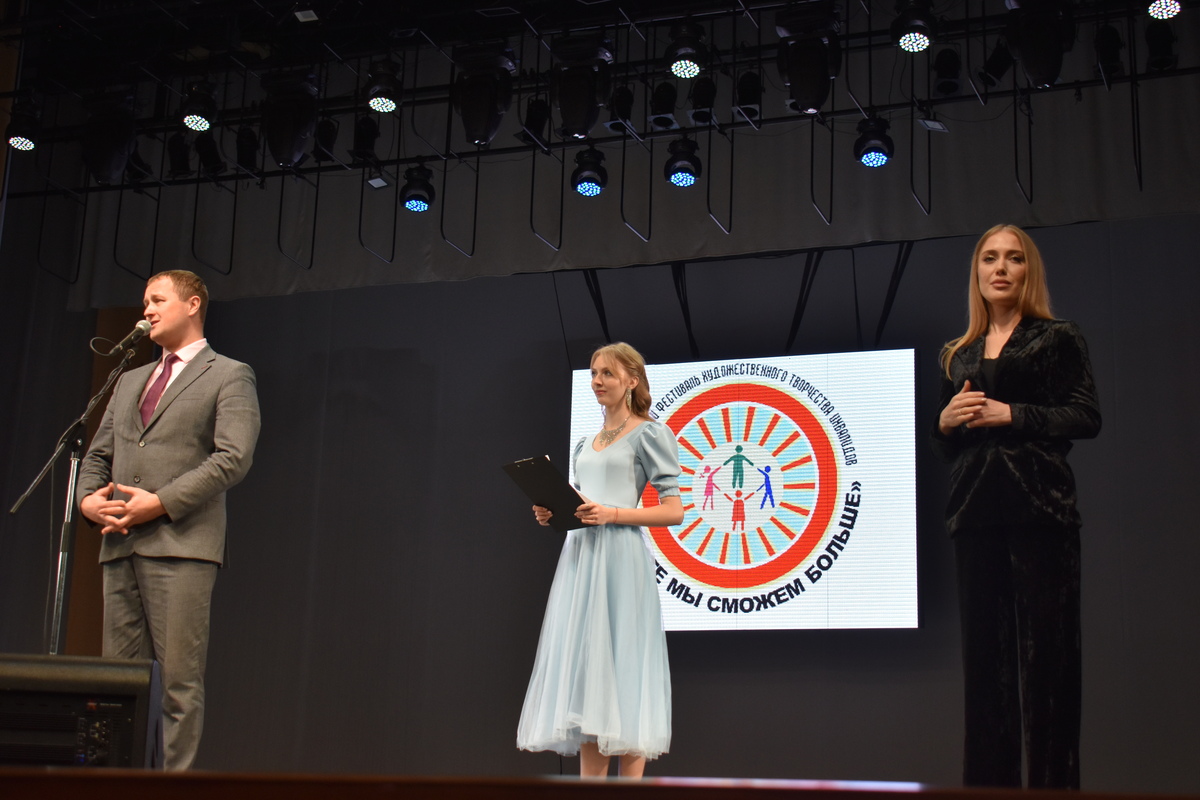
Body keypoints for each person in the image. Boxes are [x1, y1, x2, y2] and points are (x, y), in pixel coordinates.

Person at [932, 225, 1101, 789]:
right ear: (977, 272)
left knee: (1049, 669)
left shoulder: (1057, 338)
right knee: (985, 675)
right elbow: (945, 447)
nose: (1000, 268)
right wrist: (944, 424)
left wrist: (1013, 414)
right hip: (975, 514)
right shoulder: (958, 354)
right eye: (989, 258)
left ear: (1029, 271)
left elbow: (1086, 416)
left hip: (1040, 510)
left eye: (1013, 258)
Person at [77, 270, 261, 770]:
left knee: (178, 684)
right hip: (120, 544)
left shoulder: (229, 374)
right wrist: (87, 501)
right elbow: (98, 455)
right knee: (116, 684)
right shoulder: (129, 380)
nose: (147, 310)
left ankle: (170, 787)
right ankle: (116, 784)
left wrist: (159, 502)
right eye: (145, 302)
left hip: (182, 546)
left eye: (158, 300)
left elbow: (232, 458)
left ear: (193, 304)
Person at [517, 342, 683, 778]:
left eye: (607, 373)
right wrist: (552, 512)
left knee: (624, 675)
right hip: (581, 559)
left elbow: (674, 510)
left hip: (621, 560)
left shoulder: (650, 434)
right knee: (590, 683)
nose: (596, 381)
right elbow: (581, 504)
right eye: (593, 373)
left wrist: (613, 514)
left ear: (632, 380)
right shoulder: (584, 444)